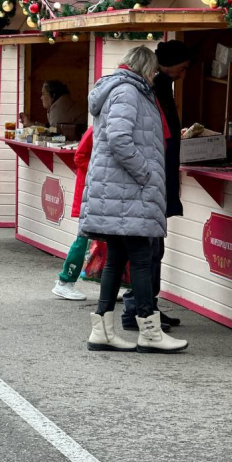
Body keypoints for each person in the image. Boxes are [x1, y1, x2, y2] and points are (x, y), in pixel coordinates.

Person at [80, 46, 188, 354]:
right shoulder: (129, 92)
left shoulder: (120, 89)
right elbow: (120, 138)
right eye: (154, 71)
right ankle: (149, 332)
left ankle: (101, 329)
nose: (156, 77)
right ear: (146, 68)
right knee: (142, 258)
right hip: (129, 191)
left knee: (117, 260)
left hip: (118, 191)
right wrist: (147, 173)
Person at [121, 40, 190, 331]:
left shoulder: (157, 86)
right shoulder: (151, 88)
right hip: (154, 179)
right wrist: (150, 175)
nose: (183, 74)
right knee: (148, 249)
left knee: (151, 248)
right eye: (182, 68)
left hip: (158, 177)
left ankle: (147, 307)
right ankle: (140, 310)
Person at [52, 127, 93, 300]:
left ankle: (115, 285)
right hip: (90, 192)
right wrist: (100, 171)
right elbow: (79, 156)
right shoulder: (95, 129)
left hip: (99, 192)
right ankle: (64, 281)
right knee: (83, 239)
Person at [19, 80, 85, 127]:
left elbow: (52, 135)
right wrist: (30, 124)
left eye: (43, 94)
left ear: (53, 95)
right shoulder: (62, 103)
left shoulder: (59, 108)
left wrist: (31, 125)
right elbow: (50, 129)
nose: (41, 98)